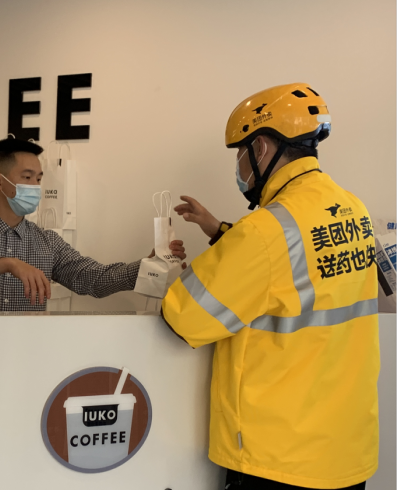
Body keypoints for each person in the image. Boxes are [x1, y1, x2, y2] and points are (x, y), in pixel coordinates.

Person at [162, 83, 379, 490]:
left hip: (280, 459)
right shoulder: (353, 208)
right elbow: (296, 268)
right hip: (345, 451)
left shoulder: (264, 230)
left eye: (240, 154)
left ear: (260, 147)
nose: (239, 166)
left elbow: (184, 317)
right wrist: (221, 231)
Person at [0, 138, 186, 311]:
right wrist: (8, 264)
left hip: (24, 353)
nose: (35, 186)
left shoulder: (47, 242)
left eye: (38, 179)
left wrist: (147, 266)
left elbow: (93, 278)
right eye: (27, 177)